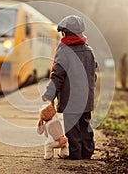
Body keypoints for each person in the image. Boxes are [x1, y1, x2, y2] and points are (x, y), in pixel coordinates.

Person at [42, 15, 96, 160]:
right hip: (86, 97)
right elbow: (93, 75)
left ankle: (76, 153)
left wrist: (49, 94)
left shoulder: (64, 51)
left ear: (64, 34)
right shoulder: (89, 50)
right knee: (85, 125)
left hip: (70, 98)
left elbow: (57, 75)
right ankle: (87, 152)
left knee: (72, 127)